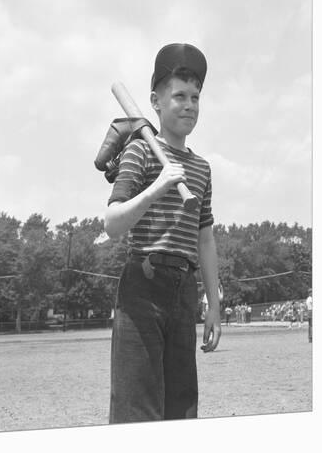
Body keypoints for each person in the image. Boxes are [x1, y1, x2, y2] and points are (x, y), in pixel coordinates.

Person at [105, 43, 221, 423]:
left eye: (195, 97)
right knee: (137, 409)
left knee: (182, 407)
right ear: (155, 101)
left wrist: (214, 304)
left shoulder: (201, 169)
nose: (189, 105)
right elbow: (113, 223)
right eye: (179, 96)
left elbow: (205, 239)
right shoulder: (139, 151)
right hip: (143, 284)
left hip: (184, 291)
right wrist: (158, 186)